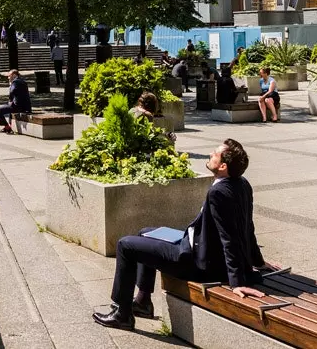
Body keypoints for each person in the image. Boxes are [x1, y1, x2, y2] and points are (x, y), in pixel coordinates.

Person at [92, 139, 270, 331]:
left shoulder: (218, 192)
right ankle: (143, 302)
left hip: (196, 263)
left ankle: (122, 314)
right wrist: (258, 261)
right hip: (196, 243)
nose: (210, 154)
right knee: (145, 233)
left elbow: (229, 238)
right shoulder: (242, 184)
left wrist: (236, 283)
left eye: (215, 154)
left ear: (223, 166)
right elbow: (247, 227)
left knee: (125, 245)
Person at [0, 69, 32, 134]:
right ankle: (9, 126)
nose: (8, 77)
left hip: (18, 107)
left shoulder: (15, 82)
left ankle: (7, 127)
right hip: (25, 107)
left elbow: (12, 91)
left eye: (9, 76)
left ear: (14, 75)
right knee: (8, 106)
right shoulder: (22, 81)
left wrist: (10, 86)